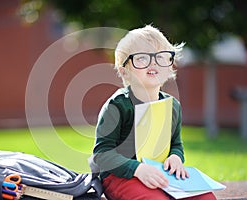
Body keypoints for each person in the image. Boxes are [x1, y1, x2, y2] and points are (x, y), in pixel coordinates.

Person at [90, 25, 217, 200]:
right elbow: (102, 154)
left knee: (205, 197)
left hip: (161, 173)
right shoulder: (118, 106)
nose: (153, 62)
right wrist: (137, 169)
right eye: (142, 58)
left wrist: (175, 157)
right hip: (120, 176)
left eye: (161, 57)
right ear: (124, 70)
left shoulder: (172, 106)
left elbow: (176, 144)